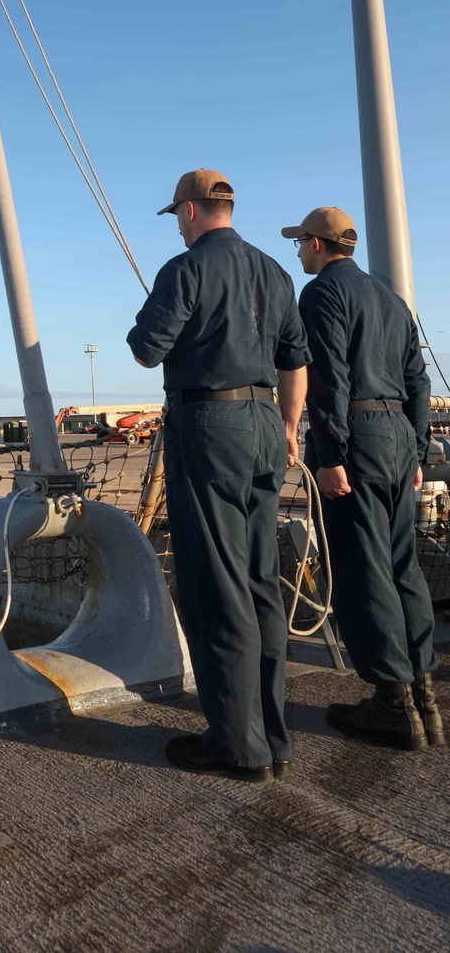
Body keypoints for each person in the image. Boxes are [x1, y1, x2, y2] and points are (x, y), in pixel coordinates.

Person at [127, 169, 309, 783]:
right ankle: (272, 738)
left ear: (188, 211)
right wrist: (288, 429)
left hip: (209, 428)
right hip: (263, 426)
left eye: (178, 214)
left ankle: (237, 745)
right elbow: (294, 361)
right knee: (261, 582)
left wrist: (144, 322)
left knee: (216, 586)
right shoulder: (276, 272)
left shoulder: (186, 271)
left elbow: (147, 348)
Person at [284, 206, 442, 751]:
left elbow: (329, 378)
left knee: (364, 565)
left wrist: (329, 456)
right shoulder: (391, 301)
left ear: (320, 245)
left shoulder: (323, 295)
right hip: (399, 433)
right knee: (403, 565)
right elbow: (418, 380)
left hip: (358, 436)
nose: (299, 251)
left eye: (301, 242)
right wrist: (418, 450)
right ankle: (424, 694)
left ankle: (392, 704)